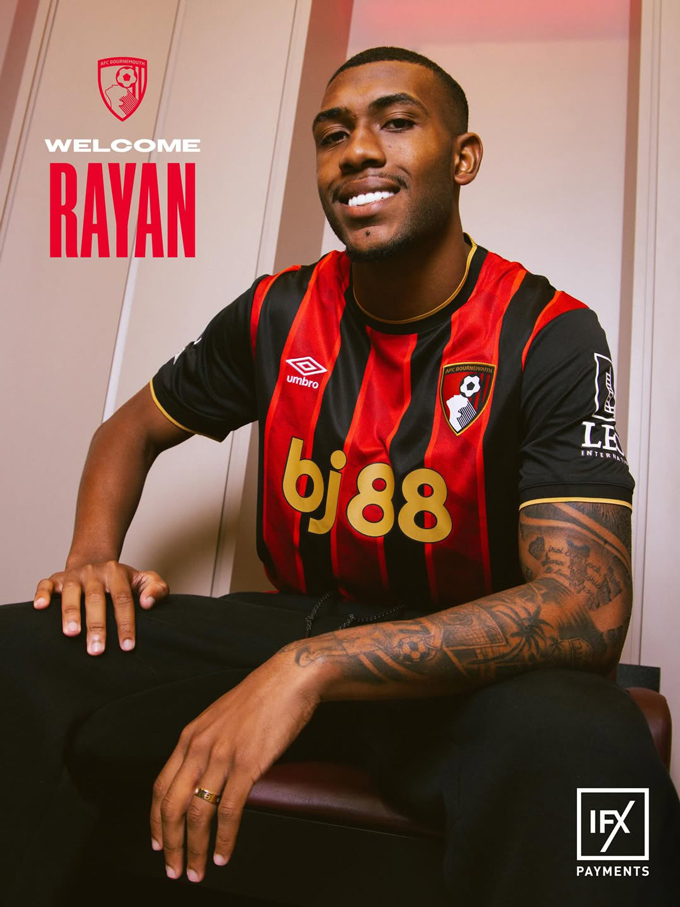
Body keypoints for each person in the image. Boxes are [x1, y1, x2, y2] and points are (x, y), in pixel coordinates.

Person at [1, 46, 679, 905]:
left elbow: (585, 607)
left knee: (593, 746)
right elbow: (127, 430)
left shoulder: (549, 332)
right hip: (295, 619)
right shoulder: (277, 312)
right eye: (333, 135)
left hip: (460, 665)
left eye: (395, 122)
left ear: (463, 158)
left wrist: (311, 666)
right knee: (25, 649)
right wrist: (92, 556)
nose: (357, 150)